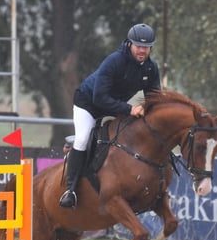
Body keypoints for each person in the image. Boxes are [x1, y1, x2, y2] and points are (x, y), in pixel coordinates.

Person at [59, 23, 162, 208]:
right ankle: (71, 190)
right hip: (89, 104)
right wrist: (130, 109)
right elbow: (100, 98)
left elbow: (155, 98)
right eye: (139, 46)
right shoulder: (114, 61)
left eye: (146, 47)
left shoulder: (150, 68)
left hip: (115, 108)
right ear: (130, 44)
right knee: (83, 139)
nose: (142, 50)